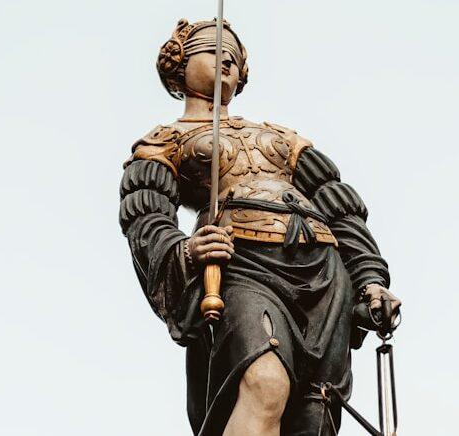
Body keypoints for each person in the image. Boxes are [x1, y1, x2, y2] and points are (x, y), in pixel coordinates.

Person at [119, 19, 401, 436]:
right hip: (245, 266)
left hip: (322, 274)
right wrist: (186, 250)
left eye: (234, 55)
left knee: (314, 410)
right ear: (179, 62)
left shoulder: (280, 137)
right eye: (213, 50)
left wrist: (371, 280)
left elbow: (339, 206)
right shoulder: (165, 142)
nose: (227, 59)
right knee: (264, 382)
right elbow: (146, 215)